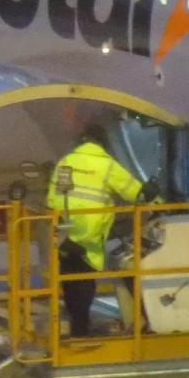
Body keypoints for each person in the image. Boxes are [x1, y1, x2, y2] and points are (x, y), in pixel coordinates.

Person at [47, 121, 144, 337]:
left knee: (70, 280)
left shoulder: (67, 162)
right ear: (102, 143)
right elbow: (134, 192)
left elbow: (54, 199)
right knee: (85, 283)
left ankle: (77, 326)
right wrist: (156, 200)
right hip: (89, 236)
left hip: (66, 233)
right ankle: (81, 329)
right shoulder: (106, 164)